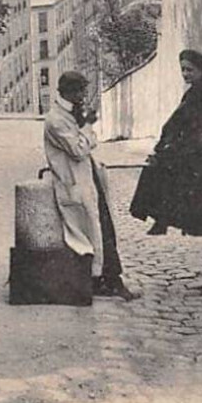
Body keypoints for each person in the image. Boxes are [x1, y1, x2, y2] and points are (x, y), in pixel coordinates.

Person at [43, 71, 137, 300]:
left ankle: (108, 280)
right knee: (95, 233)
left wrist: (86, 130)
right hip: (74, 184)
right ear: (69, 92)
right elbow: (78, 149)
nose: (83, 96)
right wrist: (87, 128)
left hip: (87, 179)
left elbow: (87, 143)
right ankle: (108, 281)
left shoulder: (70, 114)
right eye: (80, 91)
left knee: (103, 229)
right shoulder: (56, 120)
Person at [130, 49, 202, 237]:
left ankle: (171, 224)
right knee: (167, 179)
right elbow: (175, 124)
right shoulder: (193, 93)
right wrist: (163, 147)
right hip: (190, 149)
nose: (185, 74)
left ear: (201, 70)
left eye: (189, 70)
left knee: (192, 193)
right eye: (183, 70)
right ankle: (166, 222)